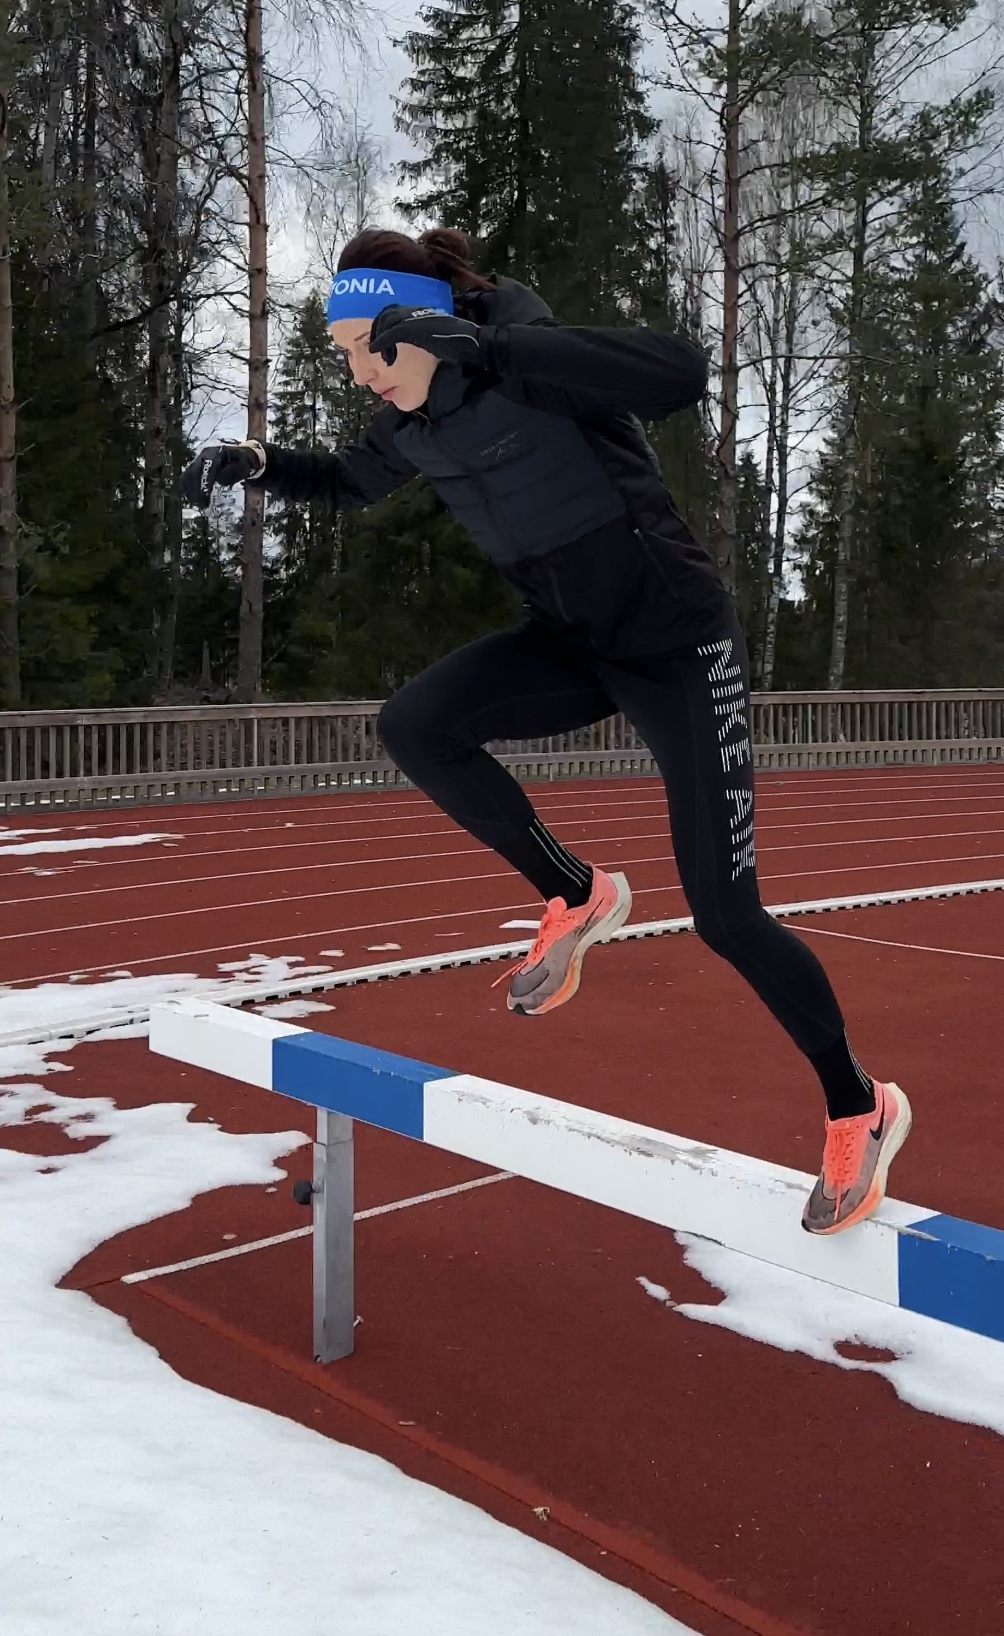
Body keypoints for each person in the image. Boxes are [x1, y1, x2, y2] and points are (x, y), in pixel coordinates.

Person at [180, 226, 912, 1236]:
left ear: (414, 325)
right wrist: (256, 462)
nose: (353, 372)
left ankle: (857, 1105)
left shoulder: (520, 347)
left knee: (726, 915)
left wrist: (494, 350)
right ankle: (576, 891)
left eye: (360, 347)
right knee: (417, 723)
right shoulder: (408, 423)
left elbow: (681, 372)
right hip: (568, 641)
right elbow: (348, 481)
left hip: (677, 646)